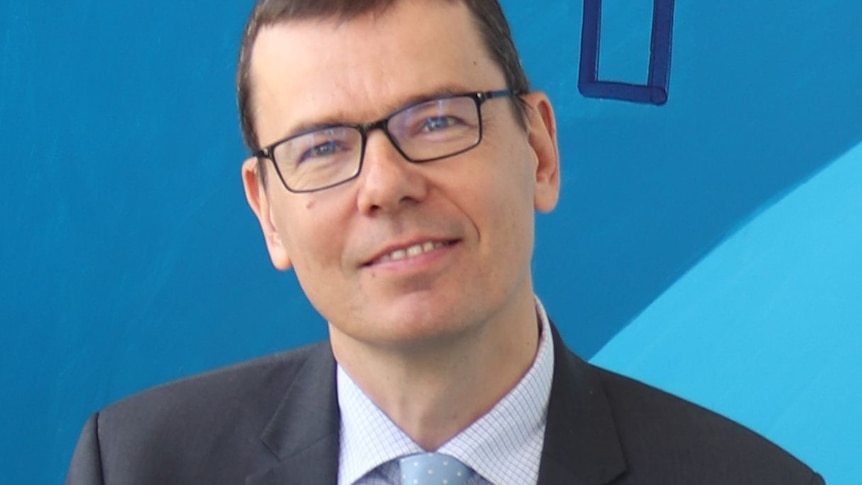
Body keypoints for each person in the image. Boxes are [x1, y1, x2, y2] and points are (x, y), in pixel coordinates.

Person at [66, 0, 825, 484]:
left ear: (540, 150)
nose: (385, 185)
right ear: (269, 212)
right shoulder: (138, 465)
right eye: (323, 147)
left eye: (436, 120)